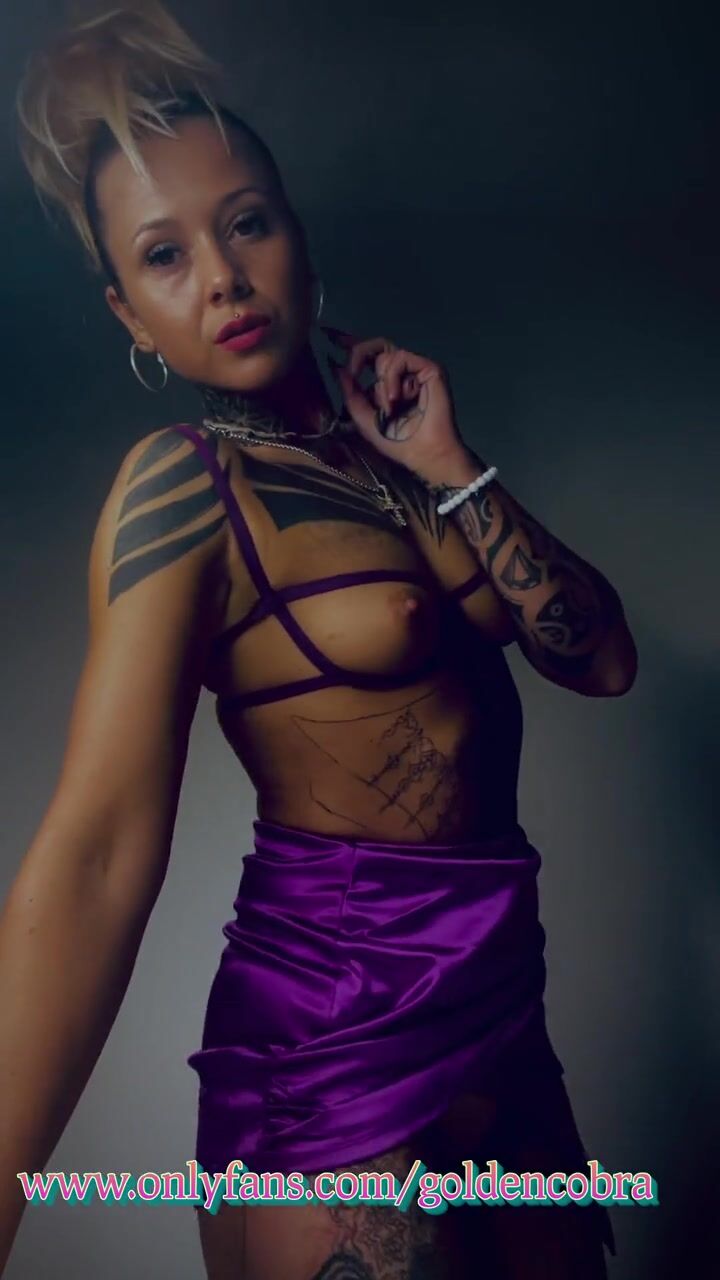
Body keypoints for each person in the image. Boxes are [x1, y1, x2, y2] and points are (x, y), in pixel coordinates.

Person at [2, 4, 637, 1277]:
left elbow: (601, 659)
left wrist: (450, 461)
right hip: (332, 1051)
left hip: (504, 1024)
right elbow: (98, 851)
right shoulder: (184, 489)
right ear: (130, 314)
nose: (223, 277)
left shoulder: (399, 450)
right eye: (166, 256)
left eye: (245, 223)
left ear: (295, 230)